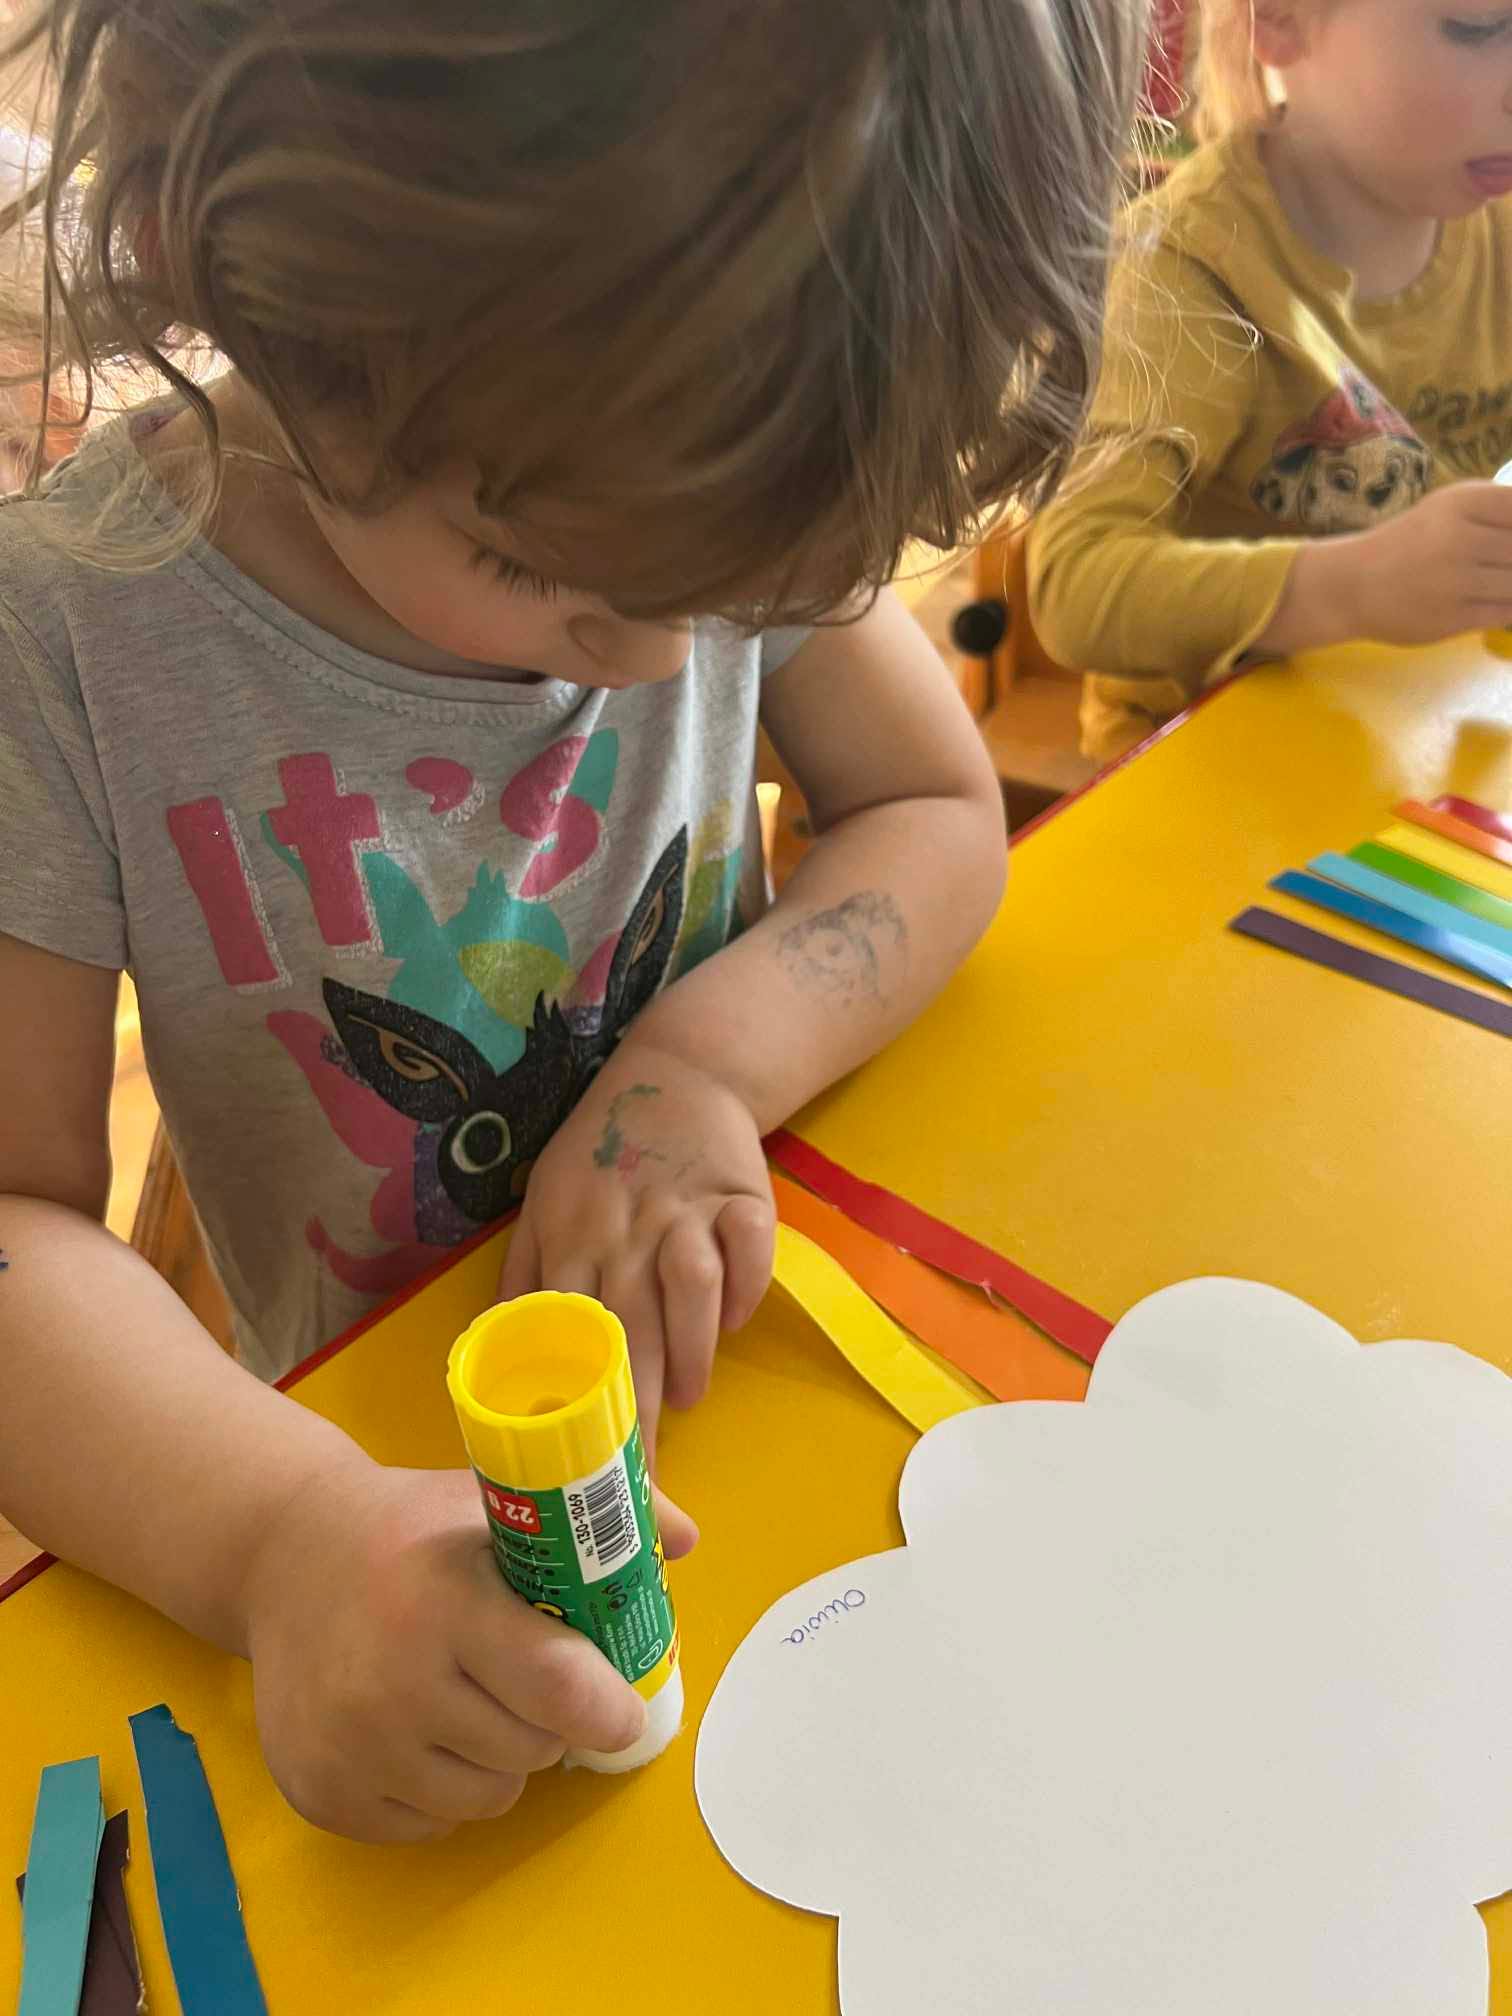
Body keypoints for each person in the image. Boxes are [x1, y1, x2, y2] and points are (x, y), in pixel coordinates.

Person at [0, 0, 1142, 1840]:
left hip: (749, 1373)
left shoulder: (717, 430)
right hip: (355, 1471)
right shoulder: (66, 638)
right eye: (541, 568)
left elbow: (930, 810)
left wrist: (707, 1065)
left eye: (753, 589)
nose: (670, 660)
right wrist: (276, 1536)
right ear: (233, 281)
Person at [1028, 0, 1512, 762]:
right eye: (1477, 28)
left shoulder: (1496, 219)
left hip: (1414, 732)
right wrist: (1358, 586)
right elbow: (1074, 585)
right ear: (1280, 20)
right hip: (1197, 767)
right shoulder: (1188, 268)